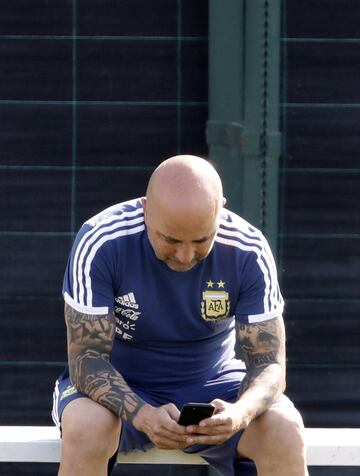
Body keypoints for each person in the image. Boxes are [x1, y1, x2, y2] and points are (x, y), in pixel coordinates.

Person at [52, 155, 308, 476]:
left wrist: (240, 413)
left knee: (285, 429)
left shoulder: (249, 249)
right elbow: (86, 360)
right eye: (170, 239)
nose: (186, 255)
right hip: (121, 383)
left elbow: (269, 363)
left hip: (214, 384)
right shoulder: (101, 240)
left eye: (202, 240)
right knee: (86, 427)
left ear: (221, 210)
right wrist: (142, 414)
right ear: (146, 210)